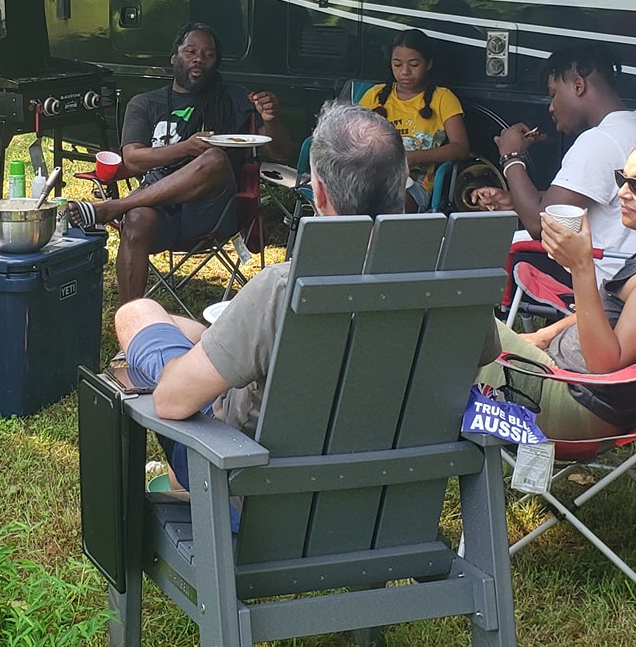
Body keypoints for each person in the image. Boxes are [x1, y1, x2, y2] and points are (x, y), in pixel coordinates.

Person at [112, 105, 500, 480]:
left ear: (320, 194)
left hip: (250, 493)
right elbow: (479, 360)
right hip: (393, 495)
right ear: (402, 185)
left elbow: (171, 402)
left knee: (137, 314)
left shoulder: (285, 288)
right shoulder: (457, 276)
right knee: (192, 330)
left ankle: (182, 484)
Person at [482, 124, 636, 441]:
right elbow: (607, 312)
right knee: (454, 327)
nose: (622, 193)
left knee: (453, 324)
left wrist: (581, 266)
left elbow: (605, 366)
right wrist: (542, 337)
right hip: (562, 379)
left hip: (577, 405)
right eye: (622, 179)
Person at [67, 23, 290, 303]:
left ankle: (115, 207)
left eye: (209, 54)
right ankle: (130, 324)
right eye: (191, 51)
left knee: (214, 157)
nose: (199, 59)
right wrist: (184, 147)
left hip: (212, 211)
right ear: (174, 56)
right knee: (136, 219)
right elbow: (134, 160)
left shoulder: (234, 99)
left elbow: (279, 151)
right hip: (160, 209)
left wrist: (270, 120)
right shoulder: (146, 103)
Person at [470, 43, 636, 284]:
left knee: (483, 251)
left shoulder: (598, 140)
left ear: (578, 85)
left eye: (553, 93)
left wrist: (511, 157)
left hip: (601, 277)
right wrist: (516, 201)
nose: (551, 107)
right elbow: (591, 197)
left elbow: (540, 224)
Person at [358, 28, 470, 208]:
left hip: (414, 184)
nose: (405, 72)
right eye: (397, 64)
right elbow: (349, 137)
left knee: (389, 205)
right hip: (369, 177)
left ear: (428, 64)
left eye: (414, 64)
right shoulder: (374, 95)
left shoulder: (442, 98)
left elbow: (460, 148)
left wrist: (414, 157)